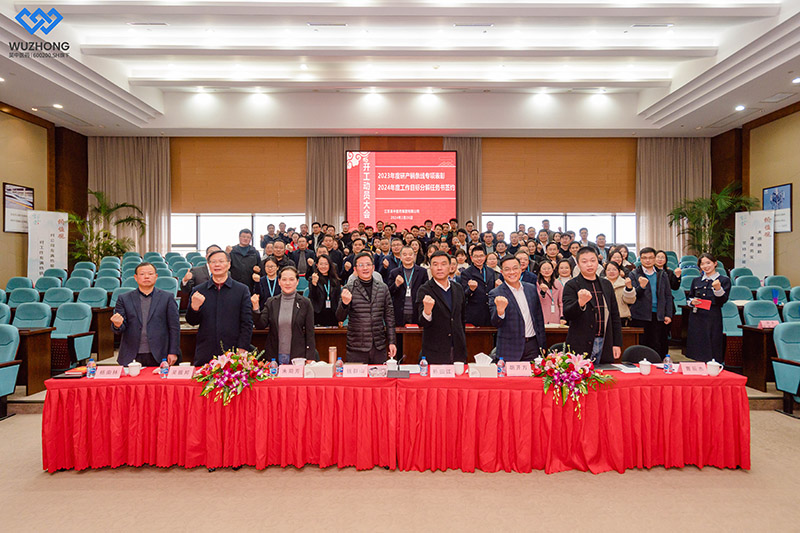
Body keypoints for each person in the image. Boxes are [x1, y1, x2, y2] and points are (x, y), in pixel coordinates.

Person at [185, 250, 253, 366]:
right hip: (206, 351)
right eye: (213, 262)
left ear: (229, 264)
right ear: (209, 265)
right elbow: (192, 321)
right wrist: (194, 307)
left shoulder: (241, 290)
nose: (217, 265)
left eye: (221, 261)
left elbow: (247, 322)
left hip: (233, 351)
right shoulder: (199, 290)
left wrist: (242, 347)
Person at [111, 262, 180, 367]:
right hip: (131, 353)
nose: (146, 277)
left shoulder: (167, 298)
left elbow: (174, 327)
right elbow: (119, 328)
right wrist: (117, 324)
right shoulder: (124, 298)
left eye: (150, 274)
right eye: (142, 274)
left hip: (160, 353)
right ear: (136, 277)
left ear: (156, 276)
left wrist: (173, 351)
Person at [563, 247, 623, 363]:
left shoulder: (606, 284)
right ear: (578, 264)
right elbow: (567, 314)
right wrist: (580, 303)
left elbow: (614, 315)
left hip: (605, 342)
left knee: (605, 373)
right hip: (581, 343)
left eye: (592, 260)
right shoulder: (572, 285)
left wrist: (617, 343)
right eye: (584, 261)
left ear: (598, 262)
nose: (589, 264)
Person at [335, 252, 397, 363]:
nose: (365, 268)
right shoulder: (348, 288)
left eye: (368, 265)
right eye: (361, 265)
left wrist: (392, 342)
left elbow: (390, 317)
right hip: (356, 347)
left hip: (378, 346)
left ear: (373, 267)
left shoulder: (383, 288)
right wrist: (344, 304)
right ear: (355, 269)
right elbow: (340, 317)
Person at [251, 266, 315, 364]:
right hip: (274, 357)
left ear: (297, 282)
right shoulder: (271, 302)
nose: (287, 283)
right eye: (284, 280)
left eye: (291, 279)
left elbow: (310, 332)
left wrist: (310, 357)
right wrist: (255, 308)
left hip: (297, 356)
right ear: (279, 282)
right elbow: (260, 325)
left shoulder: (305, 303)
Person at [489, 256, 547, 361]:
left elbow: (539, 318)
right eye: (507, 269)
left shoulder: (531, 288)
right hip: (509, 349)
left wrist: (542, 345)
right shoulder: (496, 293)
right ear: (502, 272)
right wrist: (500, 311)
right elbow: (495, 323)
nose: (512, 272)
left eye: (515, 268)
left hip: (533, 346)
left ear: (520, 269)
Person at [417, 251, 467, 364]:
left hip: (458, 350)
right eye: (435, 264)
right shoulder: (424, 289)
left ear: (450, 266)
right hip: (435, 351)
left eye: (443, 264)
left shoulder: (458, 288)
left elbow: (462, 319)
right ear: (430, 267)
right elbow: (422, 322)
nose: (439, 268)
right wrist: (427, 311)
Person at [686, 253, 731, 363]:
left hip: (712, 316)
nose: (705, 266)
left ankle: (713, 366)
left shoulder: (723, 280)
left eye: (708, 263)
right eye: (702, 264)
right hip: (697, 316)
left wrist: (718, 289)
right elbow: (689, 297)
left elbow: (722, 300)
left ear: (715, 263)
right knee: (697, 345)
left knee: (713, 344)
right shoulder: (696, 280)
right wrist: (692, 302)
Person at [629, 247, 674, 358]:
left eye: (650, 258)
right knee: (641, 345)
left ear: (654, 259)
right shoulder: (634, 274)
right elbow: (632, 296)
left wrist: (668, 314)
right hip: (640, 316)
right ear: (640, 259)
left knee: (657, 345)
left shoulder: (662, 274)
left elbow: (668, 295)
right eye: (644, 258)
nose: (647, 260)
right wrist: (641, 287)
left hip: (658, 315)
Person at [460, 245, 501, 326]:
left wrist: (497, 288)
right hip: (474, 313)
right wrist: (471, 289)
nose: (479, 259)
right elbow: (463, 295)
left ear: (485, 257)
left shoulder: (491, 271)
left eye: (481, 256)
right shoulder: (466, 273)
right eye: (476, 256)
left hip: (489, 311)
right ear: (471, 258)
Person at [388, 245, 427, 327]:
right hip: (399, 312)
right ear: (400, 257)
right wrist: (396, 285)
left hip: (416, 311)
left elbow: (426, 291)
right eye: (404, 254)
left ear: (414, 256)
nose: (408, 257)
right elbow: (389, 293)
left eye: (410, 254)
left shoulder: (422, 272)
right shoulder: (394, 272)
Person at [307, 255, 342, 327]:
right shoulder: (313, 278)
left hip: (333, 314)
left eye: (326, 264)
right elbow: (313, 297)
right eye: (321, 264)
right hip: (318, 314)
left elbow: (338, 298)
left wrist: (340, 316)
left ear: (330, 265)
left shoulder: (335, 280)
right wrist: (314, 284)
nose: (323, 266)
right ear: (317, 265)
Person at [228, 228, 262, 294]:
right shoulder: (232, 251)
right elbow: (226, 266)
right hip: (234, 284)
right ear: (239, 237)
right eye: (243, 237)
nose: (245, 239)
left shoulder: (255, 252)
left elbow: (260, 268)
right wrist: (226, 253)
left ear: (251, 239)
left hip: (250, 285)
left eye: (248, 237)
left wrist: (258, 270)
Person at [603, 261, 636, 326]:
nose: (611, 272)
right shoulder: (600, 284)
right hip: (604, 317)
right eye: (608, 270)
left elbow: (630, 301)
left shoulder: (625, 283)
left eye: (614, 269)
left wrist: (629, 288)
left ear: (619, 271)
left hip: (621, 317)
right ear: (605, 272)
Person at [536, 260, 565, 325]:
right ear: (540, 271)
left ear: (552, 269)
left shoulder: (558, 283)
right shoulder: (537, 284)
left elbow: (561, 302)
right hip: (542, 315)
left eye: (549, 268)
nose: (546, 270)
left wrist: (562, 316)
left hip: (555, 315)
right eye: (544, 269)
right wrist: (543, 292)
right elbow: (536, 301)